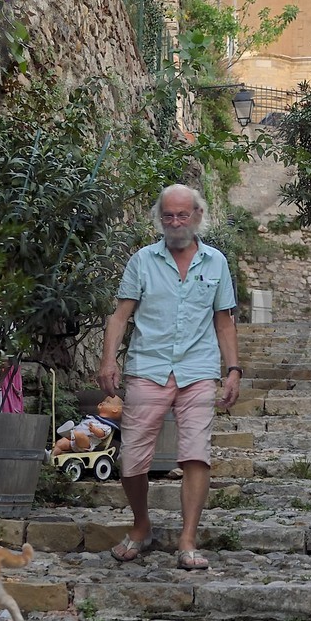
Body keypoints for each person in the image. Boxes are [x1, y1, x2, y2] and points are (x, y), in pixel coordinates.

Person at [98, 184, 241, 570]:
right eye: (168, 216)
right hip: (148, 366)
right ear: (159, 218)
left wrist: (232, 370)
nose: (175, 223)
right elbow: (119, 316)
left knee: (196, 452)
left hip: (198, 369)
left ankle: (188, 539)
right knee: (131, 455)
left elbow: (224, 322)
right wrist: (109, 359)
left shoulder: (216, 263)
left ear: (197, 216)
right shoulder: (142, 261)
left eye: (182, 215)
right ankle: (141, 525)